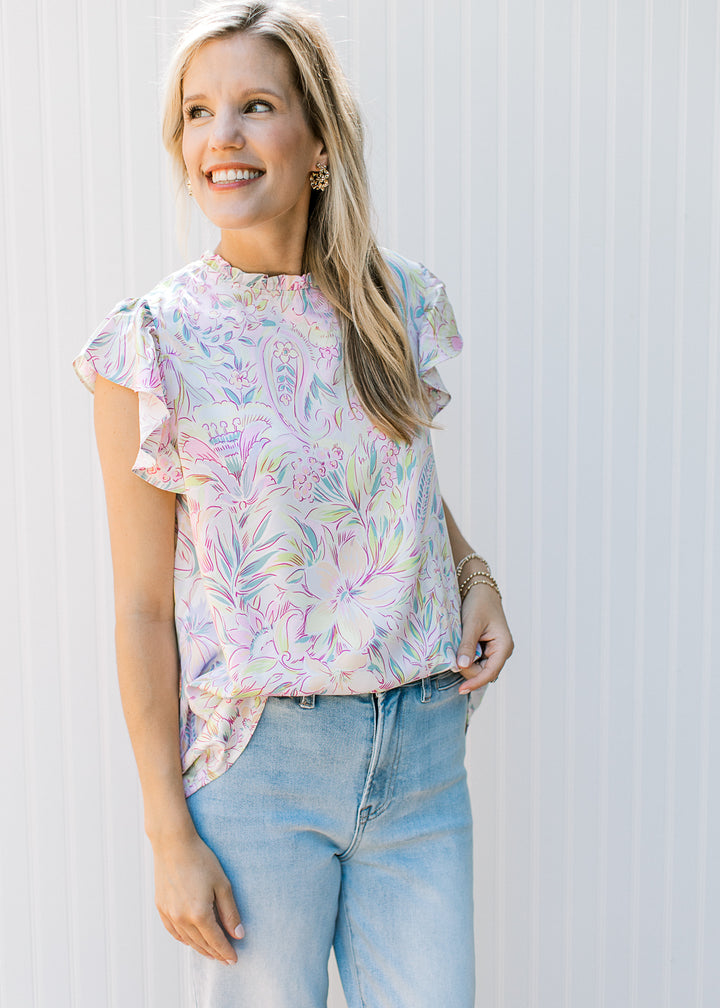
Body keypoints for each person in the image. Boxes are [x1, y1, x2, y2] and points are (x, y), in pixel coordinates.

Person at [73, 2, 513, 1005]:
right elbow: (142, 608)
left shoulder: (394, 303)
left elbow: (392, 484)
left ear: (316, 138)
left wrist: (473, 575)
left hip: (422, 748)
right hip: (261, 764)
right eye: (198, 112)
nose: (220, 138)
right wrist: (168, 834)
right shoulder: (154, 344)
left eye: (254, 106)